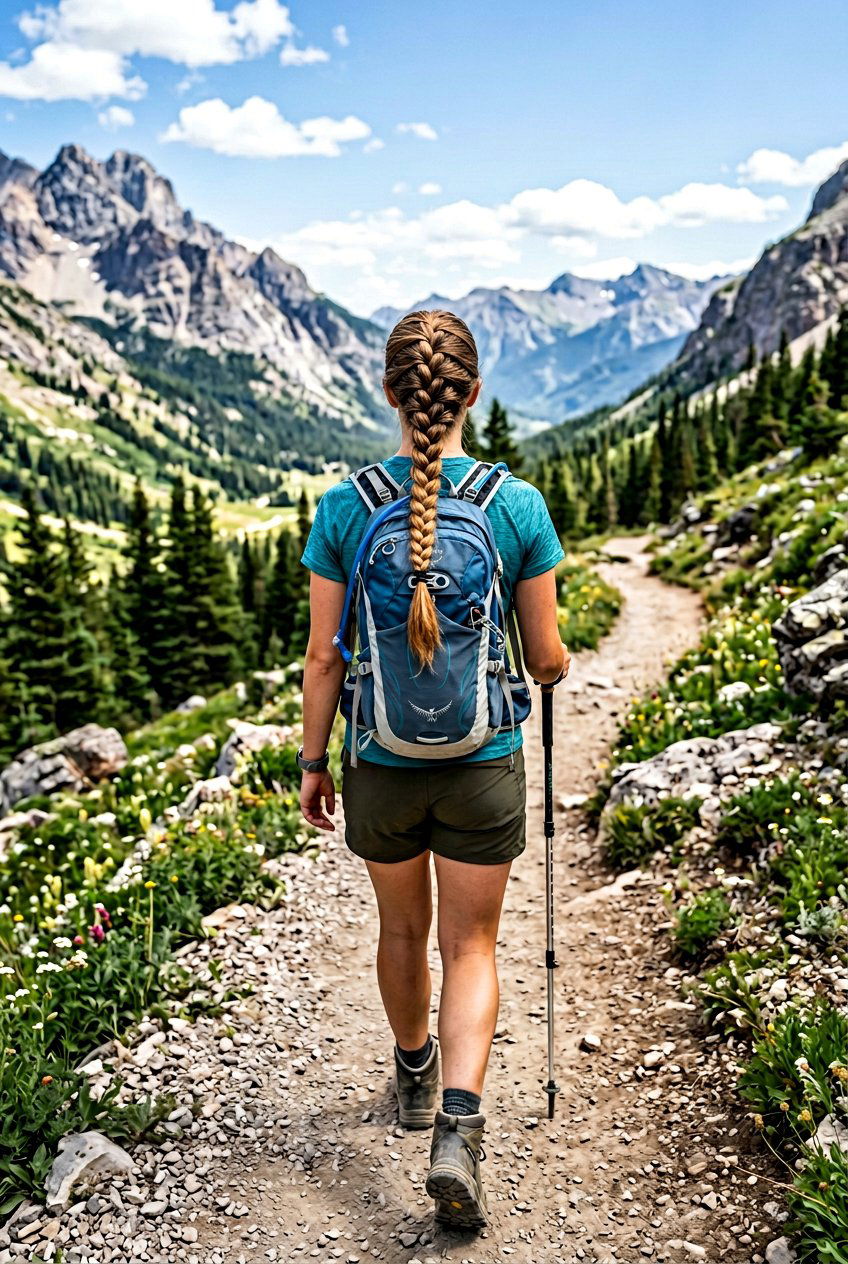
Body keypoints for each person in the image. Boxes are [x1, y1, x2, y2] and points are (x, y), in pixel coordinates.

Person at [299, 309, 570, 1229]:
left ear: (388, 392)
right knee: (472, 947)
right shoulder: (516, 505)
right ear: (472, 395)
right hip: (482, 762)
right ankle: (459, 1126)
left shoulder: (345, 506)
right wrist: (557, 664)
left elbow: (325, 659)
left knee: (400, 934)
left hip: (377, 758)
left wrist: (311, 761)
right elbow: (543, 656)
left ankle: (413, 1074)